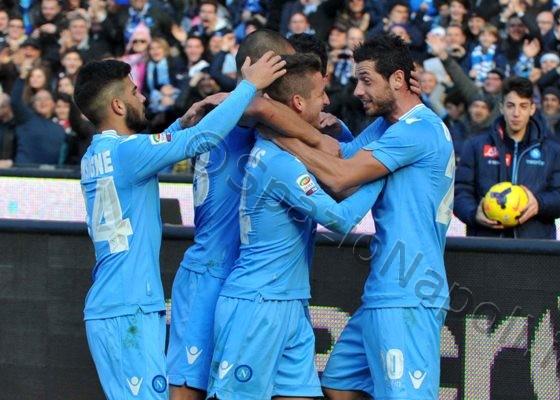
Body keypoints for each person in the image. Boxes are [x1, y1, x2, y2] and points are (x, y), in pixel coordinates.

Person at [74, 54, 286, 400]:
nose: (143, 97)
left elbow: (151, 151)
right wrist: (249, 87)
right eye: (134, 91)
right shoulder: (129, 153)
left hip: (116, 304)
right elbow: (203, 139)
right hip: (129, 308)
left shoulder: (96, 154)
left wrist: (179, 124)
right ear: (117, 105)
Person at [274, 34, 454, 400]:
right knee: (340, 385)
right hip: (384, 291)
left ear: (398, 80)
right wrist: (303, 127)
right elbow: (341, 155)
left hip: (408, 293)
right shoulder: (390, 125)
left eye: (366, 80)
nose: (358, 90)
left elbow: (341, 178)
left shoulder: (417, 131)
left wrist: (277, 135)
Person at [166, 29, 338, 400]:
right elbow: (259, 108)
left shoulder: (235, 112)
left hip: (258, 286)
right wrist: (318, 137)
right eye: (283, 64)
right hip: (211, 275)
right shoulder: (240, 113)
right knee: (189, 388)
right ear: (260, 67)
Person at [207, 52, 384, 400]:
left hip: (290, 302)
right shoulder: (279, 163)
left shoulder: (287, 152)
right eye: (321, 93)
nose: (327, 101)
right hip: (257, 304)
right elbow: (340, 219)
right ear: (299, 102)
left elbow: (340, 162)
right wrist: (381, 171)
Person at [454, 77, 560, 239]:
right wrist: (474, 213)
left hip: (534, 246)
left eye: (523, 106)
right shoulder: (476, 145)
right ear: (501, 108)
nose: (516, 113)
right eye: (510, 105)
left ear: (532, 108)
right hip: (486, 243)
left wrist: (539, 204)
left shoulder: (552, 150)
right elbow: (460, 191)